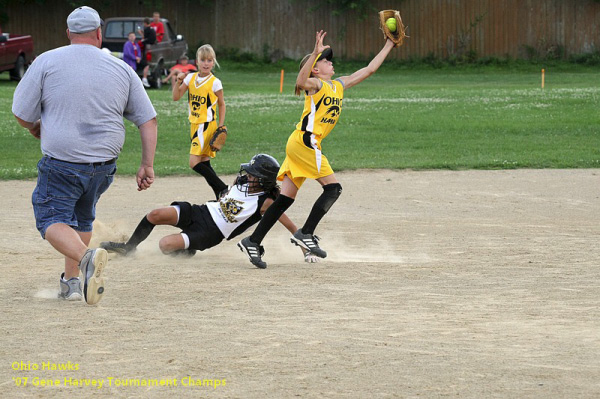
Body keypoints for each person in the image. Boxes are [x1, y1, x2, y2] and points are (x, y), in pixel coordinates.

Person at [11, 6, 158, 305]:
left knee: (50, 218)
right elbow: (148, 120)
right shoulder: (121, 68)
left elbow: (21, 113)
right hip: (103, 168)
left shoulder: (47, 61)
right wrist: (147, 164)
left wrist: (34, 127)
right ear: (99, 34)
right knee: (80, 219)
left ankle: (86, 258)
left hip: (62, 164)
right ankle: (73, 283)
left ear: (68, 33)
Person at [238, 30, 396, 268]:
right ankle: (306, 233)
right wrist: (314, 52)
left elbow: (369, 69)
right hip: (305, 142)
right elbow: (300, 82)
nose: (329, 61)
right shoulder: (316, 85)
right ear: (315, 68)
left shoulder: (338, 85)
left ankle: (253, 240)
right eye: (324, 60)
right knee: (333, 189)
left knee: (284, 201)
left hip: (301, 143)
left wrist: (389, 45)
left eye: (327, 58)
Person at [100, 154, 319, 266]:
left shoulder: (267, 202)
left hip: (209, 233)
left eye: (253, 174)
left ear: (263, 181)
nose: (247, 175)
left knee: (164, 244)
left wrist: (303, 245)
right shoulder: (242, 182)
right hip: (201, 211)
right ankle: (129, 247)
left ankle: (188, 249)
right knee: (155, 214)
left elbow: (288, 223)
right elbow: (225, 196)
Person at [172, 44, 227, 200]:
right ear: (197, 61)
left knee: (193, 162)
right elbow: (176, 97)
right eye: (203, 60)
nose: (206, 63)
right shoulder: (191, 78)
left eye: (210, 60)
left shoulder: (215, 82)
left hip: (207, 125)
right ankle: (220, 195)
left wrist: (221, 126)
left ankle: (223, 188)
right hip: (195, 124)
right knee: (205, 162)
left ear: (213, 62)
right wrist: (178, 81)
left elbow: (222, 104)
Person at [137, 18, 156, 87]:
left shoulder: (146, 29)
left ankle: (144, 79)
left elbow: (144, 38)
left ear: (145, 23)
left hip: (147, 46)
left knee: (146, 64)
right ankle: (144, 79)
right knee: (147, 64)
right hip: (151, 46)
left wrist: (140, 33)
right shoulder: (152, 29)